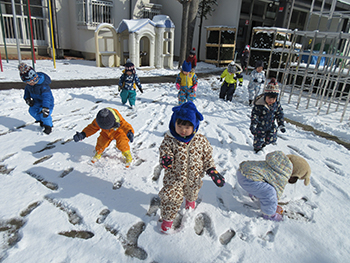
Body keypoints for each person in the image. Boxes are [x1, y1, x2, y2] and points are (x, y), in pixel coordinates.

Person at [158, 101, 225, 234]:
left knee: (193, 190)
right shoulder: (170, 139)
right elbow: (165, 150)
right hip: (174, 176)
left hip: (194, 176)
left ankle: (190, 201)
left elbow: (207, 156)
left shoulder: (200, 140)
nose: (183, 130)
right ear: (173, 123)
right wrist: (166, 158)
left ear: (194, 127)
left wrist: (211, 170)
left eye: (187, 127)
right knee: (171, 197)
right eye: (180, 125)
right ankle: (167, 219)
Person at [237, 150, 311, 221]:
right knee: (270, 192)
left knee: (265, 183)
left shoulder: (278, 163)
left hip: (243, 171)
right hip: (248, 180)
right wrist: (273, 207)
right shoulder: (283, 175)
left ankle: (255, 193)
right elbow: (276, 193)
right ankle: (269, 215)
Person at [250, 78, 285, 153]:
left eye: (273, 99)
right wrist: (254, 124)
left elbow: (280, 114)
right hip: (260, 126)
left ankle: (265, 143)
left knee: (271, 139)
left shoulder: (276, 105)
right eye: (269, 98)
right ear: (265, 96)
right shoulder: (260, 104)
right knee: (258, 140)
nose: (271, 100)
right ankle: (257, 149)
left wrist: (281, 124)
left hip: (271, 126)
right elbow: (255, 115)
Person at [18, 63, 54, 135]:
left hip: (47, 103)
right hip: (36, 101)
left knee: (44, 115)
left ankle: (48, 126)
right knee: (32, 111)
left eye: (31, 82)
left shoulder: (43, 86)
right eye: (27, 82)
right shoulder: (29, 85)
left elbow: (46, 97)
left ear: (35, 78)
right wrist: (27, 98)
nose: (29, 83)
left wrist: (46, 107)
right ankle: (40, 120)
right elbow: (27, 91)